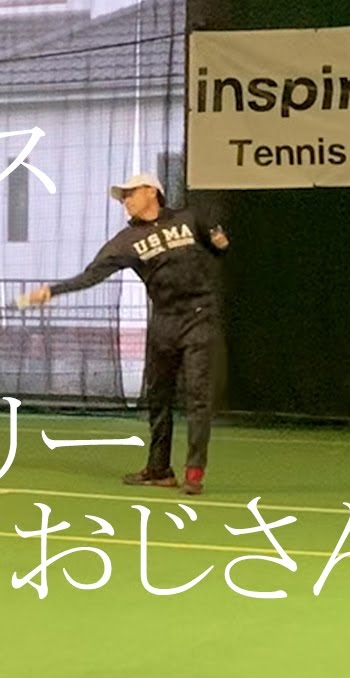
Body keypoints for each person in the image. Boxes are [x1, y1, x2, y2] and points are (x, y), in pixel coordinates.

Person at [20, 172, 229, 495]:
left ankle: (194, 472)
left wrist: (220, 243)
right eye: (122, 197)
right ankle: (159, 470)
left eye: (130, 194)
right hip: (164, 322)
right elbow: (91, 275)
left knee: (198, 397)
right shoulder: (125, 241)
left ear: (151, 191)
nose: (125, 201)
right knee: (158, 398)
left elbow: (218, 247)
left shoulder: (188, 218)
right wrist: (52, 291)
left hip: (200, 317)